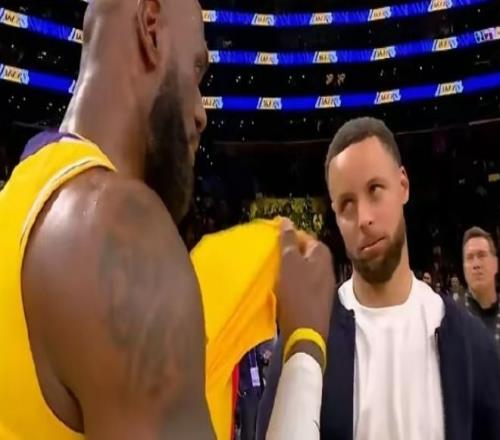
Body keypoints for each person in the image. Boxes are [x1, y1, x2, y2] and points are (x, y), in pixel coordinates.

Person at [0, 0, 336, 438]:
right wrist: (305, 348)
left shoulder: (17, 205)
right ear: (151, 26)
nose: (201, 112)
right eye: (196, 72)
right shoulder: (119, 228)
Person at [258, 117, 500, 440]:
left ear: (403, 186)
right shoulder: (304, 346)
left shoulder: (471, 345)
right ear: (336, 216)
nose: (364, 219)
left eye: (375, 190)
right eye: (347, 204)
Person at [462, 226, 500, 353]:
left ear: (495, 264)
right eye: (470, 257)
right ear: (464, 268)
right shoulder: (451, 321)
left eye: (482, 255)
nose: (476, 264)